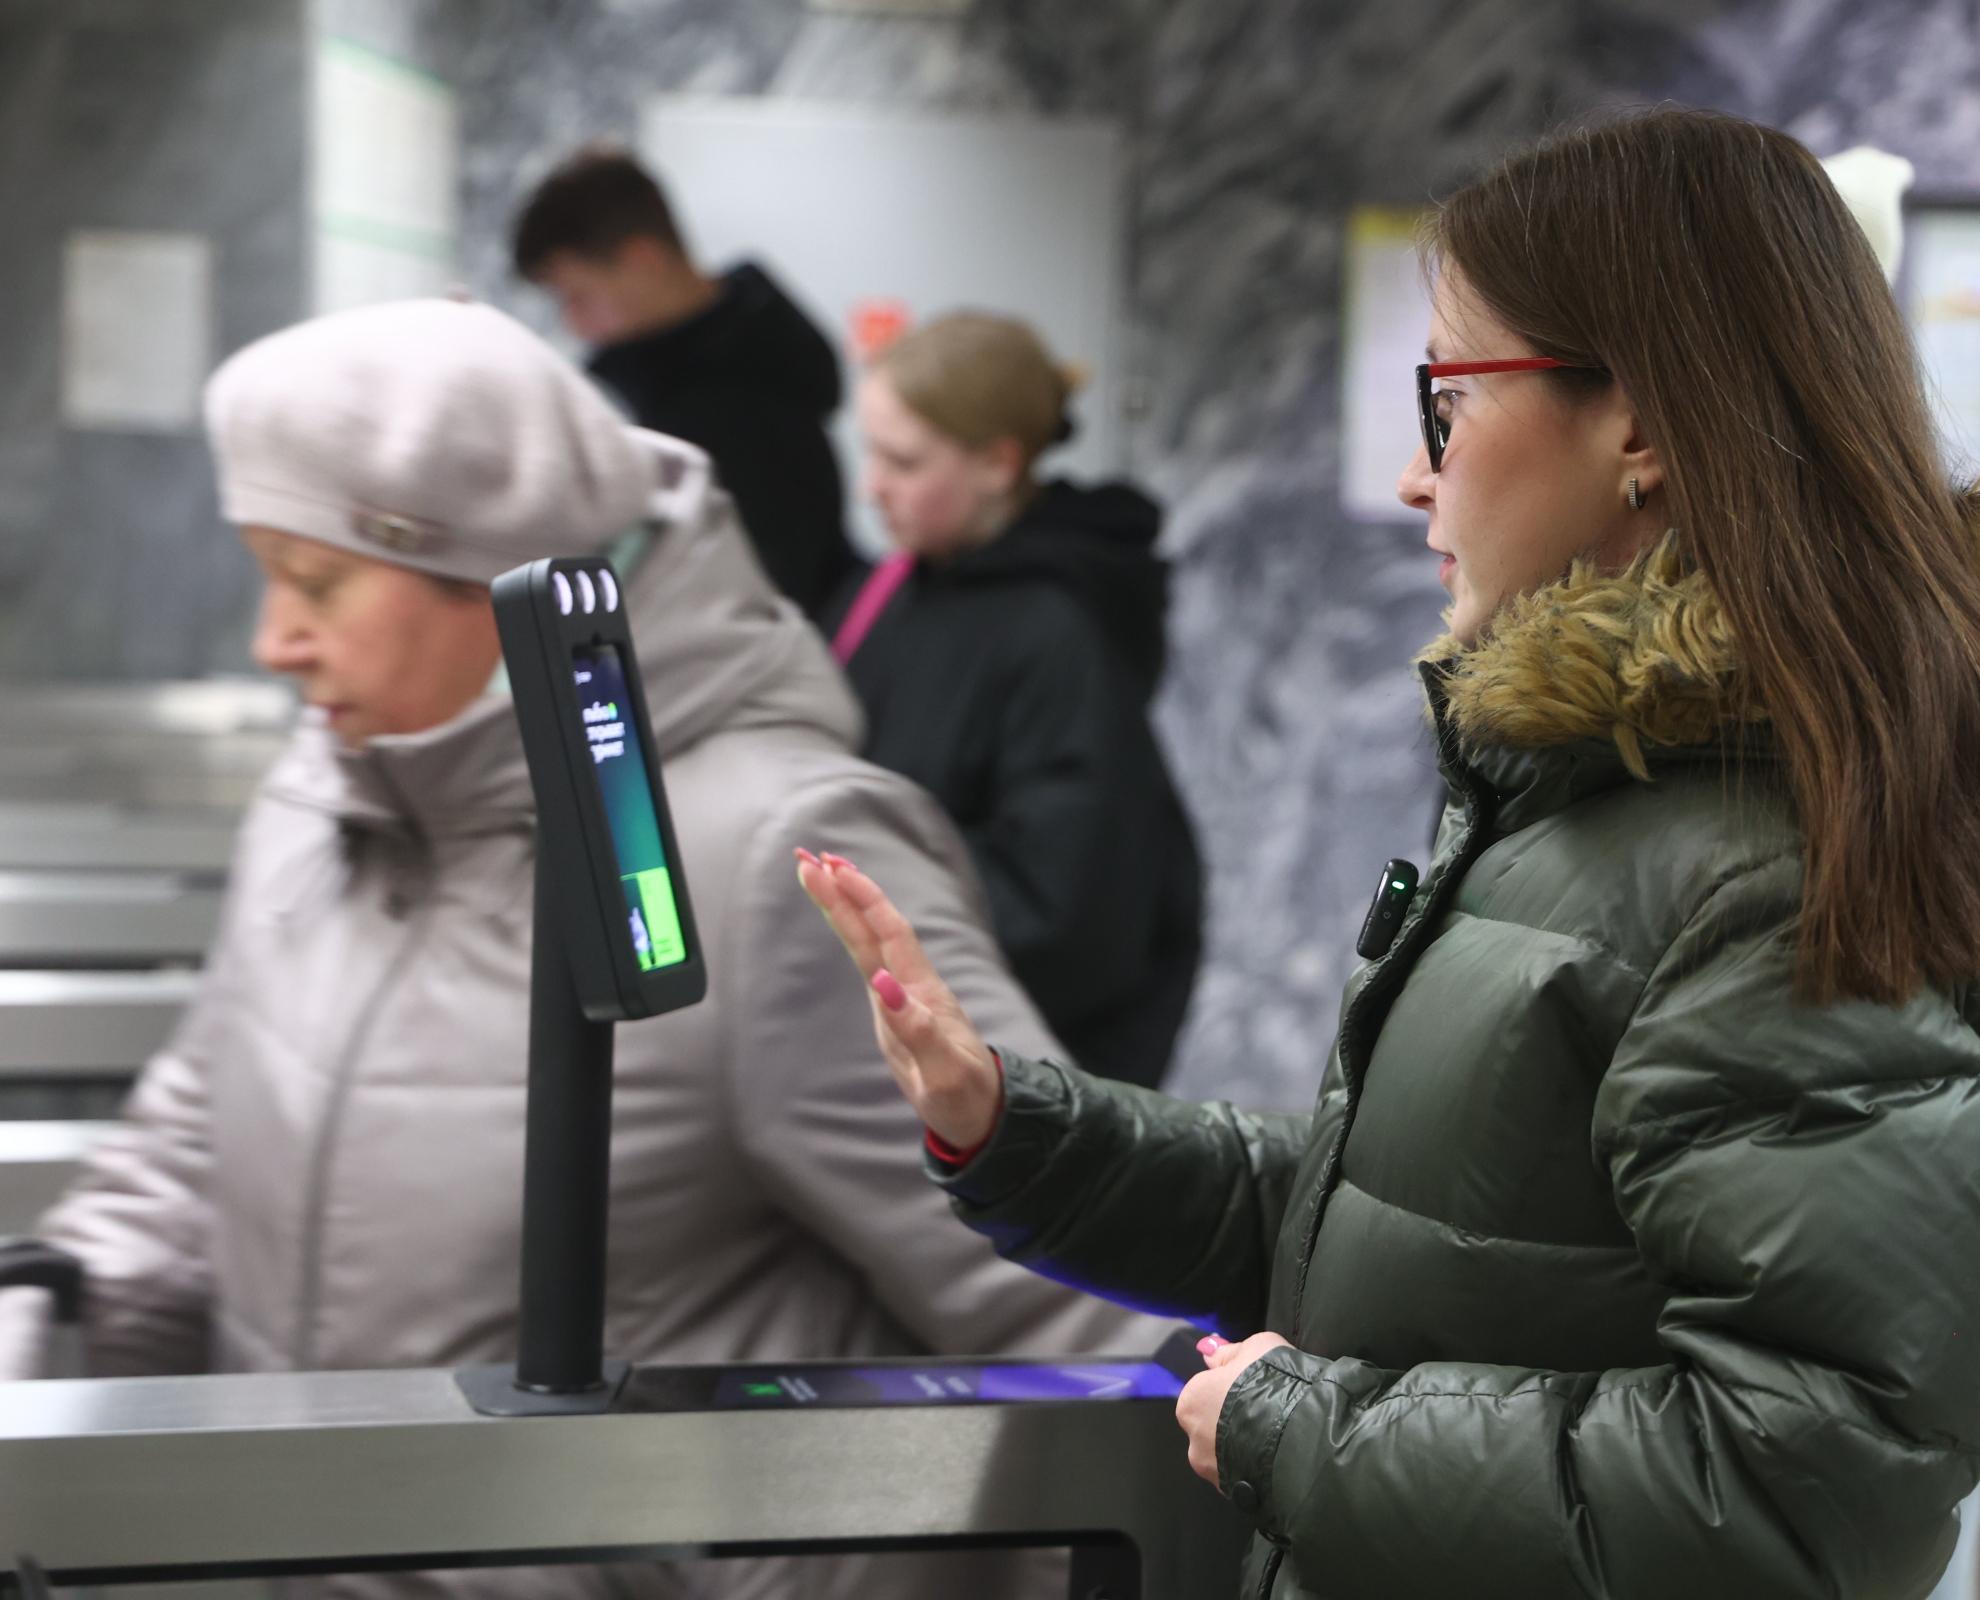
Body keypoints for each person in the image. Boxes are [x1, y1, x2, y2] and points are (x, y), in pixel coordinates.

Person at [797, 108, 1980, 1600]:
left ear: (1644, 427)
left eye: (1447, 400)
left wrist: (1298, 1425)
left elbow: (1812, 1483)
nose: (1416, 475)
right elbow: (1410, 1226)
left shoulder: (1765, 852)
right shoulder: (1602, 795)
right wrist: (1018, 1126)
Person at [0, 300, 1166, 1600]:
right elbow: (193, 1142)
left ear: (490, 574)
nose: (274, 640)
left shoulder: (762, 859)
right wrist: (52, 1315)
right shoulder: (320, 796)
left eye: (317, 581)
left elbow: (1078, 1307)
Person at [830, 311, 1202, 1091]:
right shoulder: (898, 584)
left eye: (901, 460)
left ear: (998, 464)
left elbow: (1068, 906)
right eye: (869, 452)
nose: (871, 487)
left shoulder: (1059, 630)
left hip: (1005, 1062)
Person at [513, 142, 860, 627]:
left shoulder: (748, 400)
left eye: (577, 295)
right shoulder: (657, 381)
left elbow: (769, 598)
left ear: (642, 259)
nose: (572, 323)